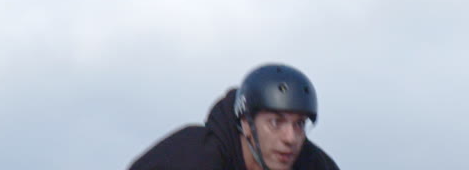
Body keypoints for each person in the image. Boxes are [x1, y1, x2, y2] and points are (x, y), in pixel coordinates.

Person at [126, 63, 340, 170]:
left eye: (299, 124)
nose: (290, 138)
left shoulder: (314, 165)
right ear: (246, 123)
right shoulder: (192, 158)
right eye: (276, 122)